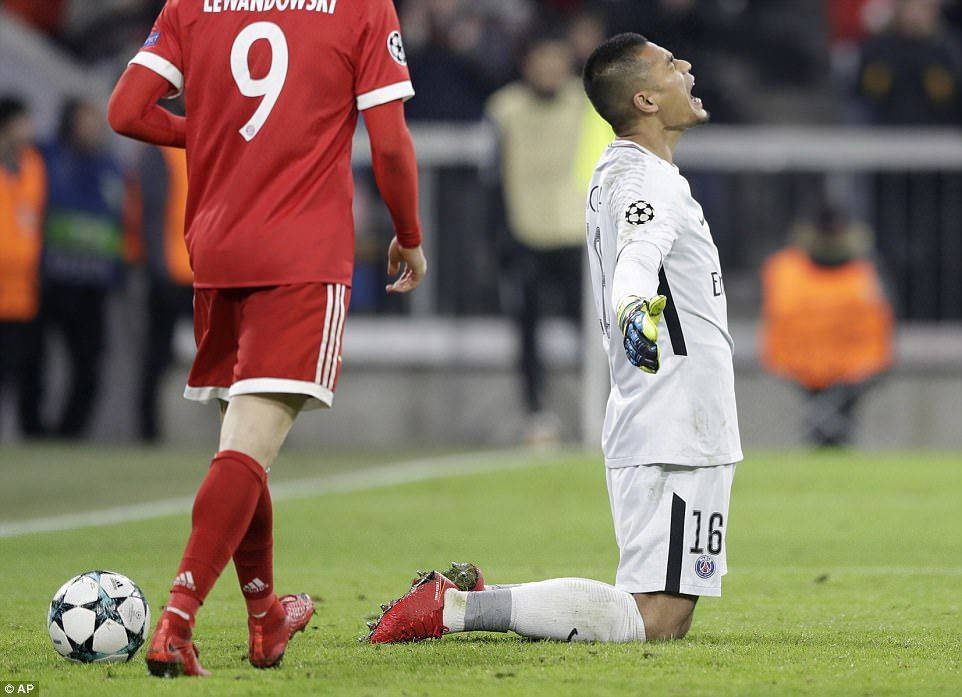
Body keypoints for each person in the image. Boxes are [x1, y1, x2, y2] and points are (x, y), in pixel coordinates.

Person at [368, 33, 742, 645]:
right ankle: (456, 608)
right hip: (675, 424)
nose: (689, 65)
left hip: (674, 420)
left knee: (665, 617)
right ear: (645, 99)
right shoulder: (645, 183)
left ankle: (471, 601)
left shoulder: (630, 172)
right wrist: (635, 322)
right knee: (654, 619)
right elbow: (634, 270)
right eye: (673, 64)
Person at [108, 0, 427, 677]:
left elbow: (126, 111)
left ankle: (265, 618)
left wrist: (210, 133)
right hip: (301, 255)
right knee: (250, 445)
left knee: (243, 443)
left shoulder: (192, 4)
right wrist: (410, 234)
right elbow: (391, 141)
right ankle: (177, 619)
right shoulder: (361, 8)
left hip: (217, 250)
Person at [486, 31, 587, 443]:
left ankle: (608, 405)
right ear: (527, 63)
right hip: (525, 231)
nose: (549, 69)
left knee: (597, 328)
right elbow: (490, 175)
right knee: (527, 332)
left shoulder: (587, 102)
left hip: (575, 232)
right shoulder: (504, 108)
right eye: (542, 60)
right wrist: (496, 235)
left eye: (556, 60)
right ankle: (537, 413)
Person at [20, 98, 127, 439]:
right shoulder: (43, 158)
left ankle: (69, 433)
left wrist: (117, 271)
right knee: (32, 362)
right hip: (49, 279)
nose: (93, 128)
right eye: (86, 121)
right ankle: (33, 430)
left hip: (92, 284)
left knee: (89, 366)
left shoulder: (111, 168)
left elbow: (120, 223)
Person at [760, 203, 893, 447]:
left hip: (854, 368)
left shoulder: (863, 273)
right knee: (828, 420)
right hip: (802, 366)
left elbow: (877, 328)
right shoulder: (787, 270)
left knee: (834, 419)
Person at [135, 139, 192, 443]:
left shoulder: (202, 137)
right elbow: (152, 215)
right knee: (157, 356)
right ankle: (148, 432)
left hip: (201, 270)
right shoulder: (161, 150)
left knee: (231, 355)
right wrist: (158, 269)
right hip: (172, 272)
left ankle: (245, 433)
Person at [0, 96, 46, 437]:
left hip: (22, 290)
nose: (28, 130)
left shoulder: (33, 164)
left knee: (14, 370)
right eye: (21, 122)